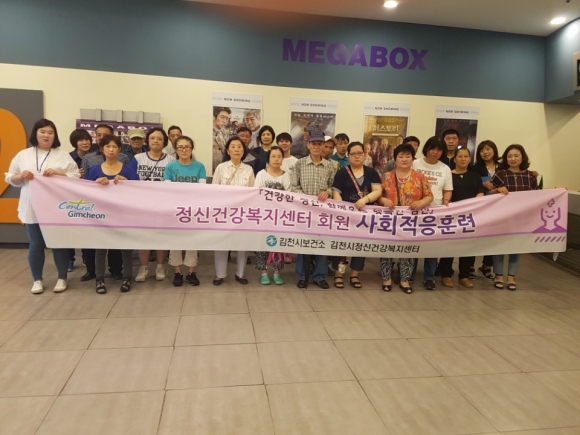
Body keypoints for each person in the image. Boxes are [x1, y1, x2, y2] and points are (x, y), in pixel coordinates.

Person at [5, 119, 80, 294]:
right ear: (36, 134)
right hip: (31, 206)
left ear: (55, 136)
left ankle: (62, 278)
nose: (46, 136)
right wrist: (20, 176)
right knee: (36, 244)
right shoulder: (23, 155)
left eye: (50, 132)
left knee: (58, 243)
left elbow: (76, 176)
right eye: (43, 132)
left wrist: (59, 173)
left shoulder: (62, 155)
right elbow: (9, 177)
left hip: (56, 207)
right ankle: (37, 279)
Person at [85, 135, 139, 294]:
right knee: (101, 248)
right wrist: (95, 185)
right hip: (101, 215)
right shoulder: (94, 170)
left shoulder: (127, 169)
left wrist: (126, 182)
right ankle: (99, 279)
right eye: (107, 146)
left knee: (126, 248)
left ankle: (127, 277)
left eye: (114, 146)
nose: (111, 149)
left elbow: (139, 190)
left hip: (123, 215)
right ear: (101, 149)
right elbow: (84, 191)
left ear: (119, 149)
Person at [377, 143, 433, 294]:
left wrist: (421, 203)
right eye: (400, 156)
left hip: (411, 221)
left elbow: (429, 196)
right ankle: (386, 278)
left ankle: (405, 279)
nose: (404, 159)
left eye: (408, 156)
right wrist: (384, 201)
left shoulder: (420, 177)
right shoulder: (386, 177)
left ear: (412, 159)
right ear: (395, 159)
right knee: (386, 248)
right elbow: (378, 196)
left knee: (408, 249)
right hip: (389, 220)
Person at [331, 141, 382, 289]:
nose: (357, 156)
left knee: (360, 246)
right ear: (348, 156)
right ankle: (339, 274)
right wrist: (342, 209)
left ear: (365, 155)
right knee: (341, 246)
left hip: (364, 218)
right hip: (345, 217)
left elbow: (377, 191)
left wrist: (365, 200)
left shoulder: (372, 173)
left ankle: (354, 275)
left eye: (360, 153)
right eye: (353, 154)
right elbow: (336, 192)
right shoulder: (342, 173)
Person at [491, 144, 539, 291]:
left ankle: (511, 277)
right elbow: (489, 193)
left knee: (516, 247)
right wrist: (498, 190)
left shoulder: (531, 176)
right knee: (499, 247)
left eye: (516, 155)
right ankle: (499, 275)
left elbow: (538, 195)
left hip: (521, 219)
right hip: (502, 218)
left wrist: (557, 191)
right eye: (509, 156)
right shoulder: (501, 174)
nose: (513, 159)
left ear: (522, 157)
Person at [291, 129, 335, 289]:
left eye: (319, 144)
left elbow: (333, 186)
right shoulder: (299, 164)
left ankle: (319, 276)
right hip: (304, 211)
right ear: (308, 145)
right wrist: (306, 199)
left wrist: (328, 192)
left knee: (321, 244)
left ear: (323, 146)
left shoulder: (329, 166)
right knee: (304, 244)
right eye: (313, 143)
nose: (316, 146)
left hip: (323, 213)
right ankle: (303, 276)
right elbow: (294, 186)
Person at [130, 128, 175, 282]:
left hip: (164, 204)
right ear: (147, 141)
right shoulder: (138, 158)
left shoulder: (171, 160)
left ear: (165, 142)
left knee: (161, 236)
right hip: (142, 204)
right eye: (152, 138)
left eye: (159, 139)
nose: (156, 141)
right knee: (144, 236)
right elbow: (130, 180)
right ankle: (144, 267)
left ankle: (160, 266)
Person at [439, 147, 485, 288]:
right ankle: (446, 274)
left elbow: (480, 191)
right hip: (451, 216)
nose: (463, 159)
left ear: (470, 159)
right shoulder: (448, 174)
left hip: (470, 216)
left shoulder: (474, 175)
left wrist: (472, 204)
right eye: (460, 156)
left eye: (466, 156)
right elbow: (445, 192)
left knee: (468, 246)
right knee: (449, 245)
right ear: (455, 159)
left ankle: (464, 276)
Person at [163, 135, 206, 286]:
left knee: (192, 241)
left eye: (187, 147)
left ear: (191, 149)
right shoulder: (170, 167)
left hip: (193, 210)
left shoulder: (199, 166)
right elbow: (167, 189)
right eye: (180, 147)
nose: (184, 150)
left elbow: (202, 189)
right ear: (176, 149)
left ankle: (191, 272)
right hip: (175, 210)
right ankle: (177, 272)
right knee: (175, 241)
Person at [212, 136, 255, 285]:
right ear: (228, 150)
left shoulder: (248, 169)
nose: (237, 149)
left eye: (239, 147)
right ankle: (220, 274)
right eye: (233, 146)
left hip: (242, 213)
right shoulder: (221, 168)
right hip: (223, 212)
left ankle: (240, 274)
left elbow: (252, 192)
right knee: (222, 243)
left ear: (243, 151)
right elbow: (214, 191)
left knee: (242, 244)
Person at [412, 136, 453, 290]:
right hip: (414, 210)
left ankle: (429, 277)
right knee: (413, 244)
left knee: (432, 246)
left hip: (435, 212)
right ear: (426, 148)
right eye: (432, 148)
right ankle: (408, 274)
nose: (435, 152)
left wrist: (446, 200)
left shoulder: (445, 168)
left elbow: (447, 190)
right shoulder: (415, 163)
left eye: (439, 149)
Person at [253, 146, 291, 285]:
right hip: (264, 216)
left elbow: (289, 197)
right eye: (273, 156)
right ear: (268, 158)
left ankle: (276, 273)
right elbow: (256, 194)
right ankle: (263, 273)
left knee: (278, 244)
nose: (276, 159)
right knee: (263, 244)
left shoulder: (286, 176)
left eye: (279, 156)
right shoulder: (261, 174)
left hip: (280, 217)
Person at [473, 140, 500, 279]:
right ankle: (470, 266)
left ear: (494, 150)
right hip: (481, 206)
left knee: (493, 237)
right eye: (482, 150)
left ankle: (487, 266)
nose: (485, 152)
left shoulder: (502, 166)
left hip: (499, 207)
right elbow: (471, 183)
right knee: (475, 236)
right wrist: (483, 184)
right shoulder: (475, 168)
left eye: (488, 149)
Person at [67, 128, 92, 273]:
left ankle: (86, 257)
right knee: (71, 227)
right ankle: (69, 259)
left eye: (87, 139)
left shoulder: (95, 156)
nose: (85, 142)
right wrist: (73, 174)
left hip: (88, 198)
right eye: (81, 140)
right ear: (75, 142)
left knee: (87, 228)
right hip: (71, 197)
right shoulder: (68, 158)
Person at [212, 106, 231, 171]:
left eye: (227, 118)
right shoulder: (207, 133)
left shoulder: (222, 132)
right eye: (222, 117)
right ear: (213, 117)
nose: (225, 121)